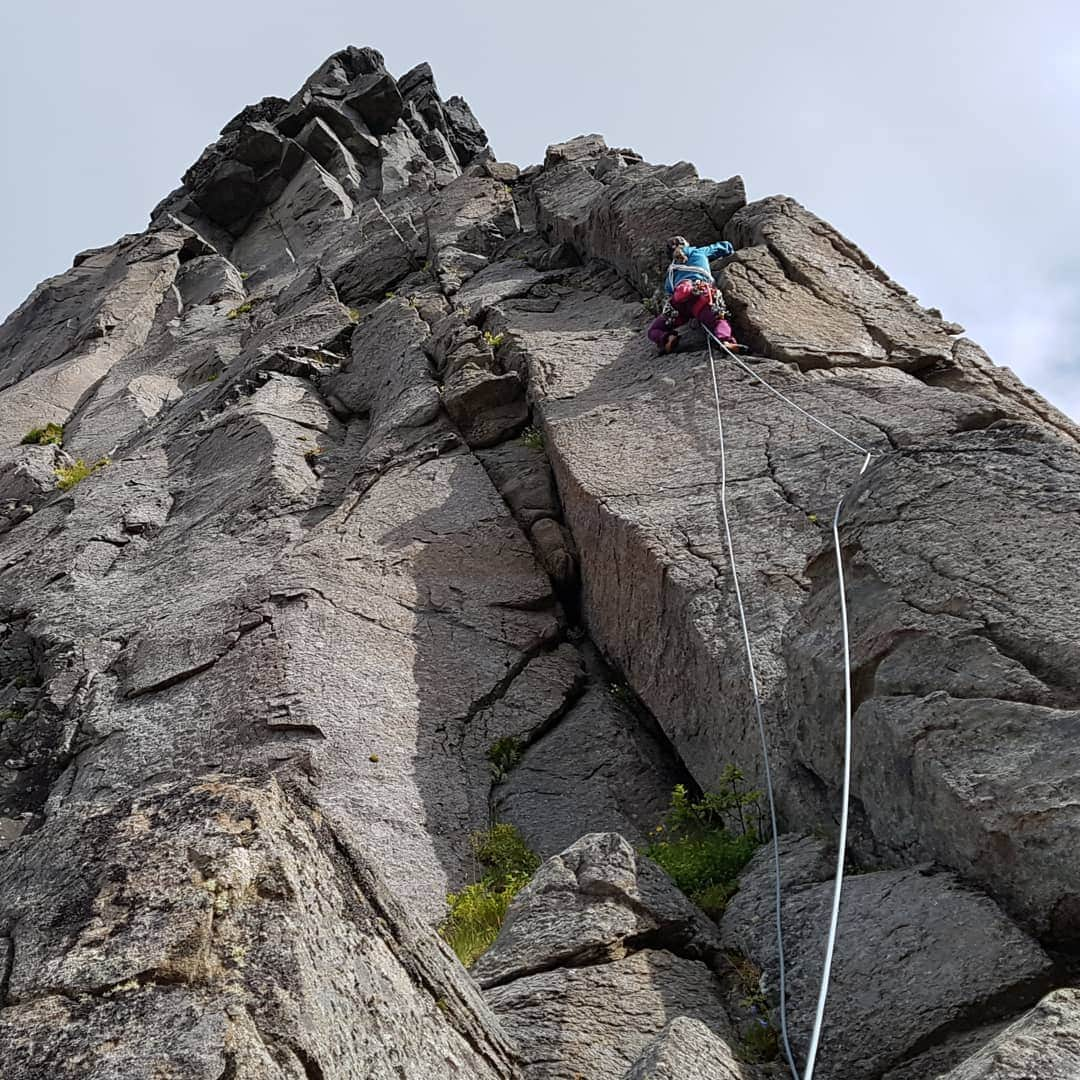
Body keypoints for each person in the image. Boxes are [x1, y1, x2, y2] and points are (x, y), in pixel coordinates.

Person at [647, 236, 744, 354]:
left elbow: (669, 290)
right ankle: (725, 341)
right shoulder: (698, 252)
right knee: (718, 320)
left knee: (654, 329)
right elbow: (725, 246)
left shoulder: (671, 272)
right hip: (700, 297)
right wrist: (731, 253)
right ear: (686, 244)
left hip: (679, 306)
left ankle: (667, 338)